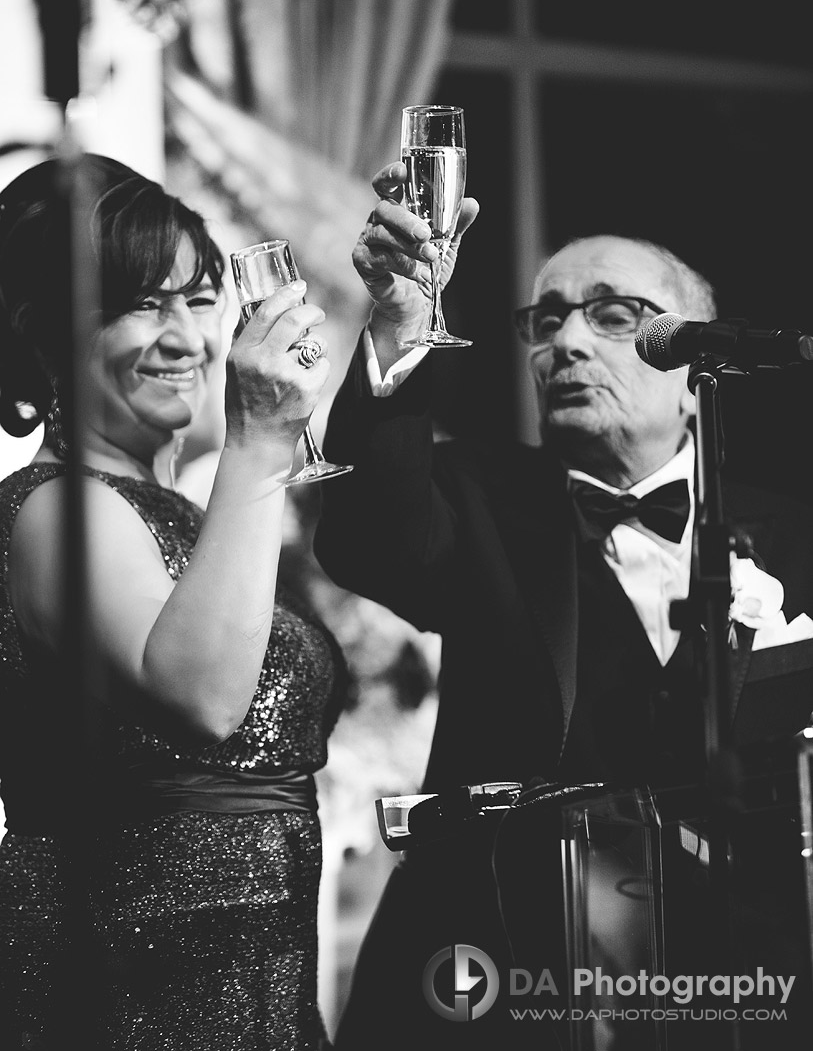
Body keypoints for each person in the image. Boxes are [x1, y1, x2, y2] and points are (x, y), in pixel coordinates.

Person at [313, 162, 813, 1049]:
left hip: (746, 973)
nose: (566, 342)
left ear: (696, 353)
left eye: (612, 314)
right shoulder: (479, 496)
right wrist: (397, 325)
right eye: (545, 320)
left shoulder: (795, 532)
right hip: (502, 971)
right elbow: (366, 538)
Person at [0, 153, 347, 1050]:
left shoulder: (190, 516)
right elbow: (202, 696)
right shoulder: (58, 508)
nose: (185, 337)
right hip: (122, 999)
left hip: (263, 992)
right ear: (41, 337)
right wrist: (263, 436)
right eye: (136, 303)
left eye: (197, 300)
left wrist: (389, 330)